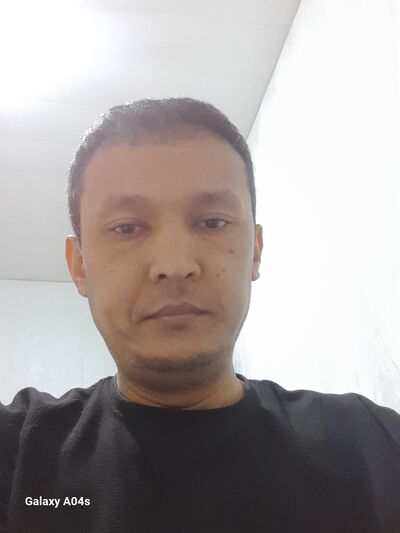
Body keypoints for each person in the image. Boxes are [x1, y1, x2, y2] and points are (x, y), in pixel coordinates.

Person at [0, 97, 399, 533]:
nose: (174, 265)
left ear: (255, 251)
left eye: (212, 222)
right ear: (79, 266)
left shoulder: (375, 446)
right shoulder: (18, 453)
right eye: (127, 228)